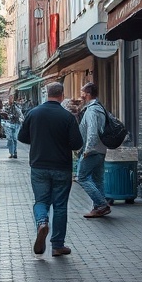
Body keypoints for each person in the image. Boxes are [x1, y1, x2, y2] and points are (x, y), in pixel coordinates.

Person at [17, 82, 82, 257]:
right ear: (62, 95)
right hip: (61, 166)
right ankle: (57, 245)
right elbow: (77, 143)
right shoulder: (67, 117)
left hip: (39, 165)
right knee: (60, 205)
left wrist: (38, 139)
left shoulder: (33, 113)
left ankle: (42, 222)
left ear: (47, 94)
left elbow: (22, 137)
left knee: (41, 201)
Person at [75, 82, 110, 218]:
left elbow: (93, 132)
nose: (81, 95)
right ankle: (98, 208)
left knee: (82, 177)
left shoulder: (92, 110)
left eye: (82, 92)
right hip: (101, 149)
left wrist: (87, 150)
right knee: (97, 179)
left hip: (92, 150)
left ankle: (101, 204)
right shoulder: (100, 107)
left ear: (88, 94)